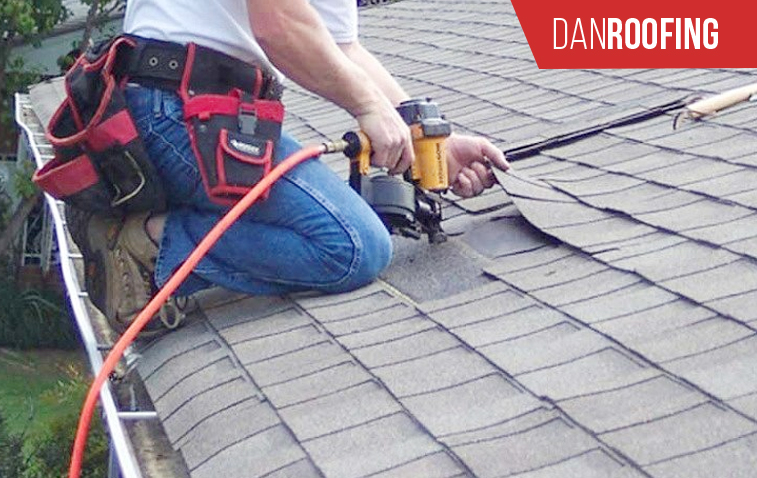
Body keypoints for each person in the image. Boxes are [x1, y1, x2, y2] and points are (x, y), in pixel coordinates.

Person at [73, 0, 509, 335]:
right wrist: (367, 106)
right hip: (171, 107)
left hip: (214, 110)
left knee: (352, 239)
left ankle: (165, 240)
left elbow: (340, 47)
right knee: (352, 245)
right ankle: (145, 245)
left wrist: (430, 137)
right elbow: (278, 24)